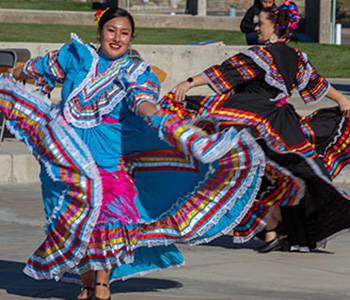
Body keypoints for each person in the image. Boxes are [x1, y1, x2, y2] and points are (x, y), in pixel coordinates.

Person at [0, 7, 270, 300]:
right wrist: (10, 75)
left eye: (124, 33)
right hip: (63, 159)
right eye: (111, 31)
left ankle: (102, 284)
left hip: (108, 160)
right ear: (100, 32)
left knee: (106, 221)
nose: (117, 38)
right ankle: (86, 283)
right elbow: (34, 69)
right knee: (70, 224)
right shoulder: (75, 55)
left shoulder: (137, 72)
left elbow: (142, 100)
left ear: (131, 39)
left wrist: (157, 117)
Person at [162, 0, 350, 254]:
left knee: (246, 171)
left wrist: (189, 83)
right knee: (278, 172)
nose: (256, 28)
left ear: (275, 28)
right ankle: (274, 227)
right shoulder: (296, 57)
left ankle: (271, 225)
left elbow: (225, 72)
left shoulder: (260, 55)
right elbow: (317, 84)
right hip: (283, 125)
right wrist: (340, 98)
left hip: (255, 120)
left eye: (261, 24)